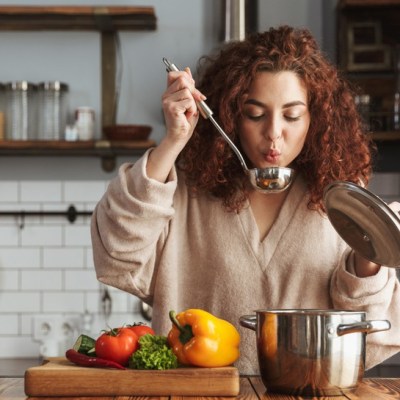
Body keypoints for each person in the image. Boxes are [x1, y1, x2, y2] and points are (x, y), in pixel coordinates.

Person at [91, 25, 400, 374]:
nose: (273, 132)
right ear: (231, 114)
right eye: (255, 113)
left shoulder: (342, 201)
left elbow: (370, 332)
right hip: (197, 397)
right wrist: (173, 141)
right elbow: (116, 255)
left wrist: (371, 252)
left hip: (305, 396)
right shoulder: (186, 192)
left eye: (292, 115)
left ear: (316, 119)